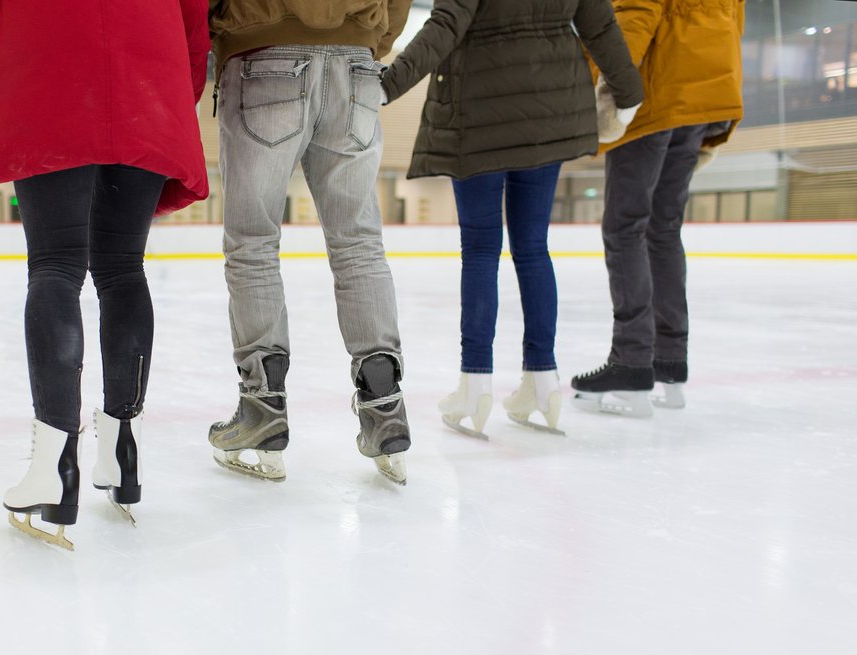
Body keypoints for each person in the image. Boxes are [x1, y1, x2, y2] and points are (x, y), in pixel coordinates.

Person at [0, 0, 210, 550]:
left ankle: (53, 465)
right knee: (123, 268)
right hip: (151, 70)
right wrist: (168, 92)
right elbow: (195, 21)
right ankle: (124, 452)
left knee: (55, 265)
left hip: (47, 68)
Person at [381, 0, 643, 438]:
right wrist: (628, 93)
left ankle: (475, 384)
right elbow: (600, 25)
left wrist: (389, 83)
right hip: (552, 109)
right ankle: (543, 382)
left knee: (482, 250)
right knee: (533, 248)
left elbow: (447, 24)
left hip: (480, 114)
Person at [206, 0, 415, 485]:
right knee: (359, 244)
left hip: (262, 52)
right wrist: (368, 40)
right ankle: (384, 409)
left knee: (253, 242)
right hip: (356, 63)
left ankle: (262, 410)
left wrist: (219, 37)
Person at [571, 0, 745, 417]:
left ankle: (631, 359)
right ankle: (669, 359)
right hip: (706, 96)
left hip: (656, 94)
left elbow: (633, 17)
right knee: (663, 229)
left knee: (624, 227)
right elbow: (733, 24)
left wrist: (612, 94)